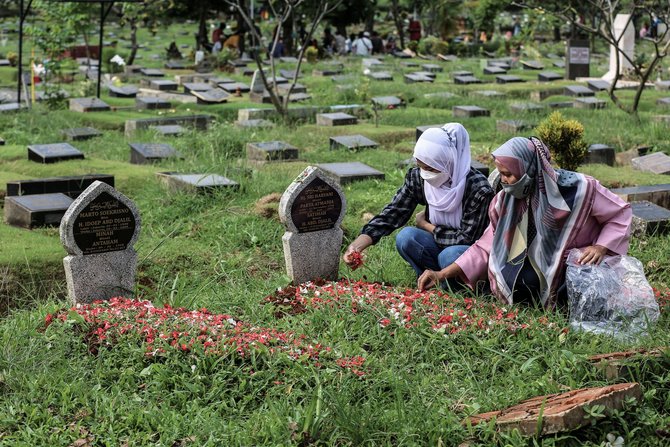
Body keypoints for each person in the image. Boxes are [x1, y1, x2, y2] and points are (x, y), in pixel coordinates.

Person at [417, 137, 633, 309]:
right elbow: (486, 246)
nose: (503, 181)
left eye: (508, 174)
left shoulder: (580, 189)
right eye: (501, 174)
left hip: (577, 263)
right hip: (538, 264)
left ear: (528, 168)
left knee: (579, 283)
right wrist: (441, 274)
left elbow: (619, 214)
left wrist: (601, 247)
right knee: (515, 280)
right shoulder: (504, 202)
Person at [343, 124, 494, 289]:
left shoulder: (477, 188)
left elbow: (467, 239)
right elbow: (394, 212)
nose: (425, 174)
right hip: (437, 245)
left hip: (465, 253)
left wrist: (426, 226)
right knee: (406, 237)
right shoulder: (419, 178)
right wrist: (356, 246)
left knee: (449, 256)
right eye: (420, 166)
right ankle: (429, 279)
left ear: (449, 162)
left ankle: (457, 284)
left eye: (430, 168)